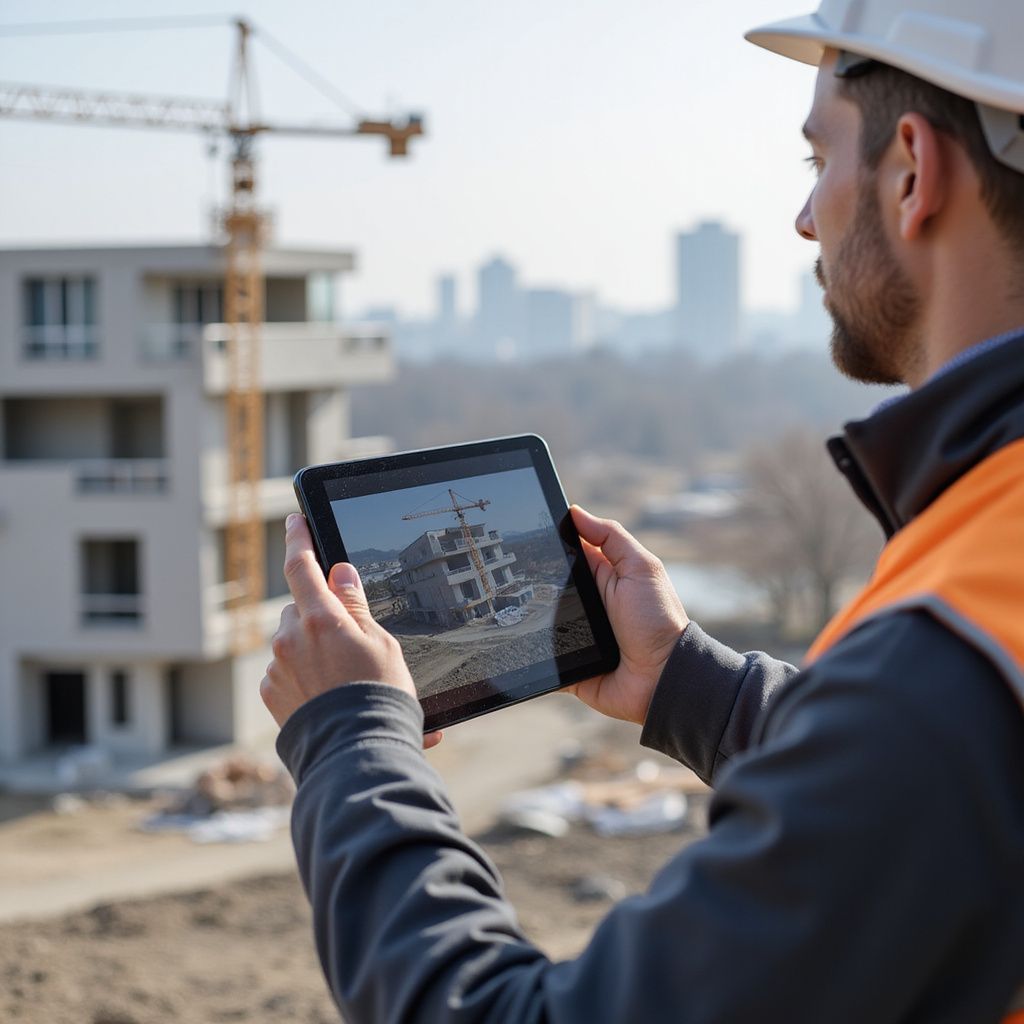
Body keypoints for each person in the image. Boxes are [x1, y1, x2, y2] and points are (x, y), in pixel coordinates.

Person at [260, 2, 1024, 1020]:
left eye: (817, 160)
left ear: (912, 172)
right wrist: (688, 684)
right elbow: (933, 798)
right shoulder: (974, 624)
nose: (806, 217)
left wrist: (349, 736)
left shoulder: (953, 655)